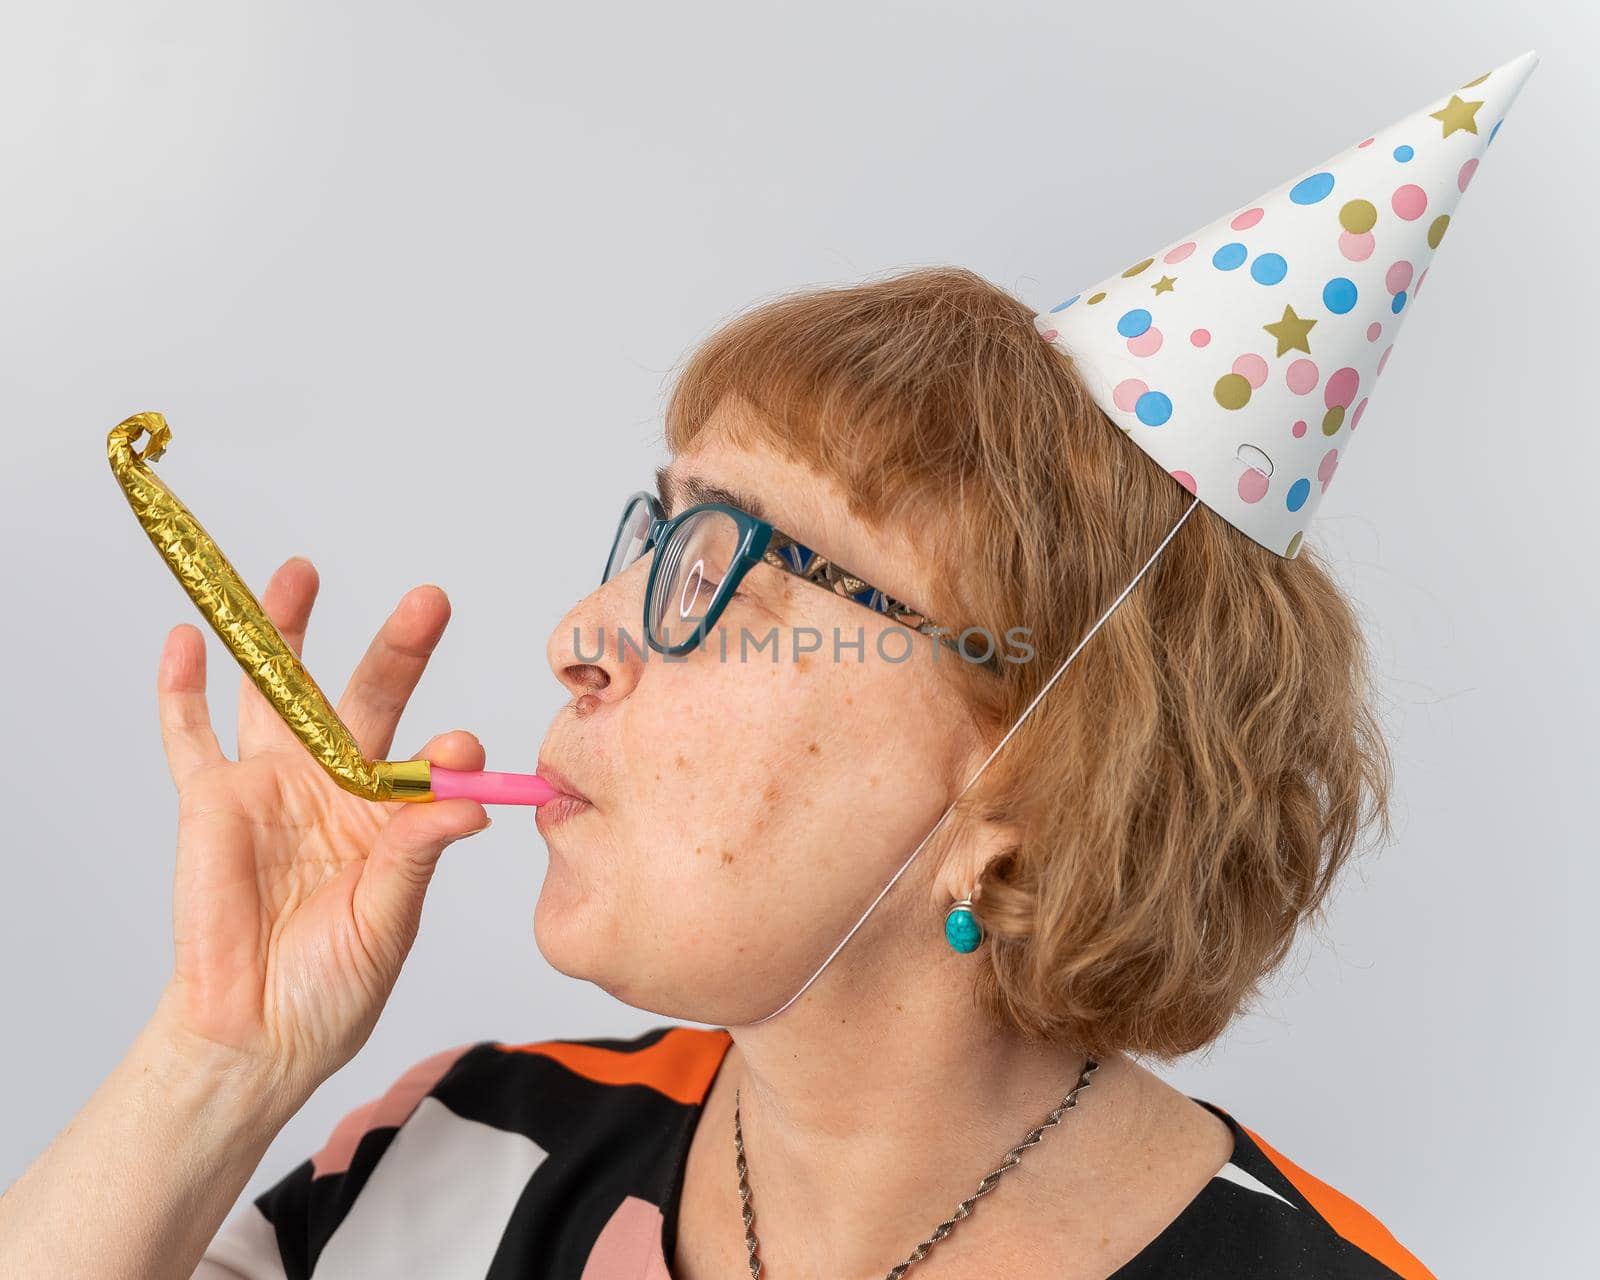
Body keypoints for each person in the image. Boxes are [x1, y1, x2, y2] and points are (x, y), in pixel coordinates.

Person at [4, 48, 1538, 1277]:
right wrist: (217, 1057)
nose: (580, 637)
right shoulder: (452, 1156)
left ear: (1032, 765)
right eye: (646, 537)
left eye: (723, 565)